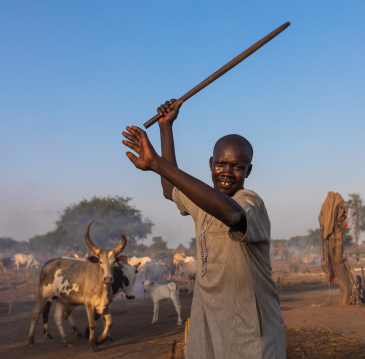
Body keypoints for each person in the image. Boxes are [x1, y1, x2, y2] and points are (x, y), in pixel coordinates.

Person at [122, 100, 286, 359]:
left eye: (237, 166)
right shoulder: (203, 204)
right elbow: (170, 189)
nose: (227, 172)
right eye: (221, 164)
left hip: (251, 331)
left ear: (249, 171)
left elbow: (232, 213)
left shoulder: (250, 202)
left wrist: (157, 164)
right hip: (209, 325)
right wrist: (166, 128)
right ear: (211, 163)